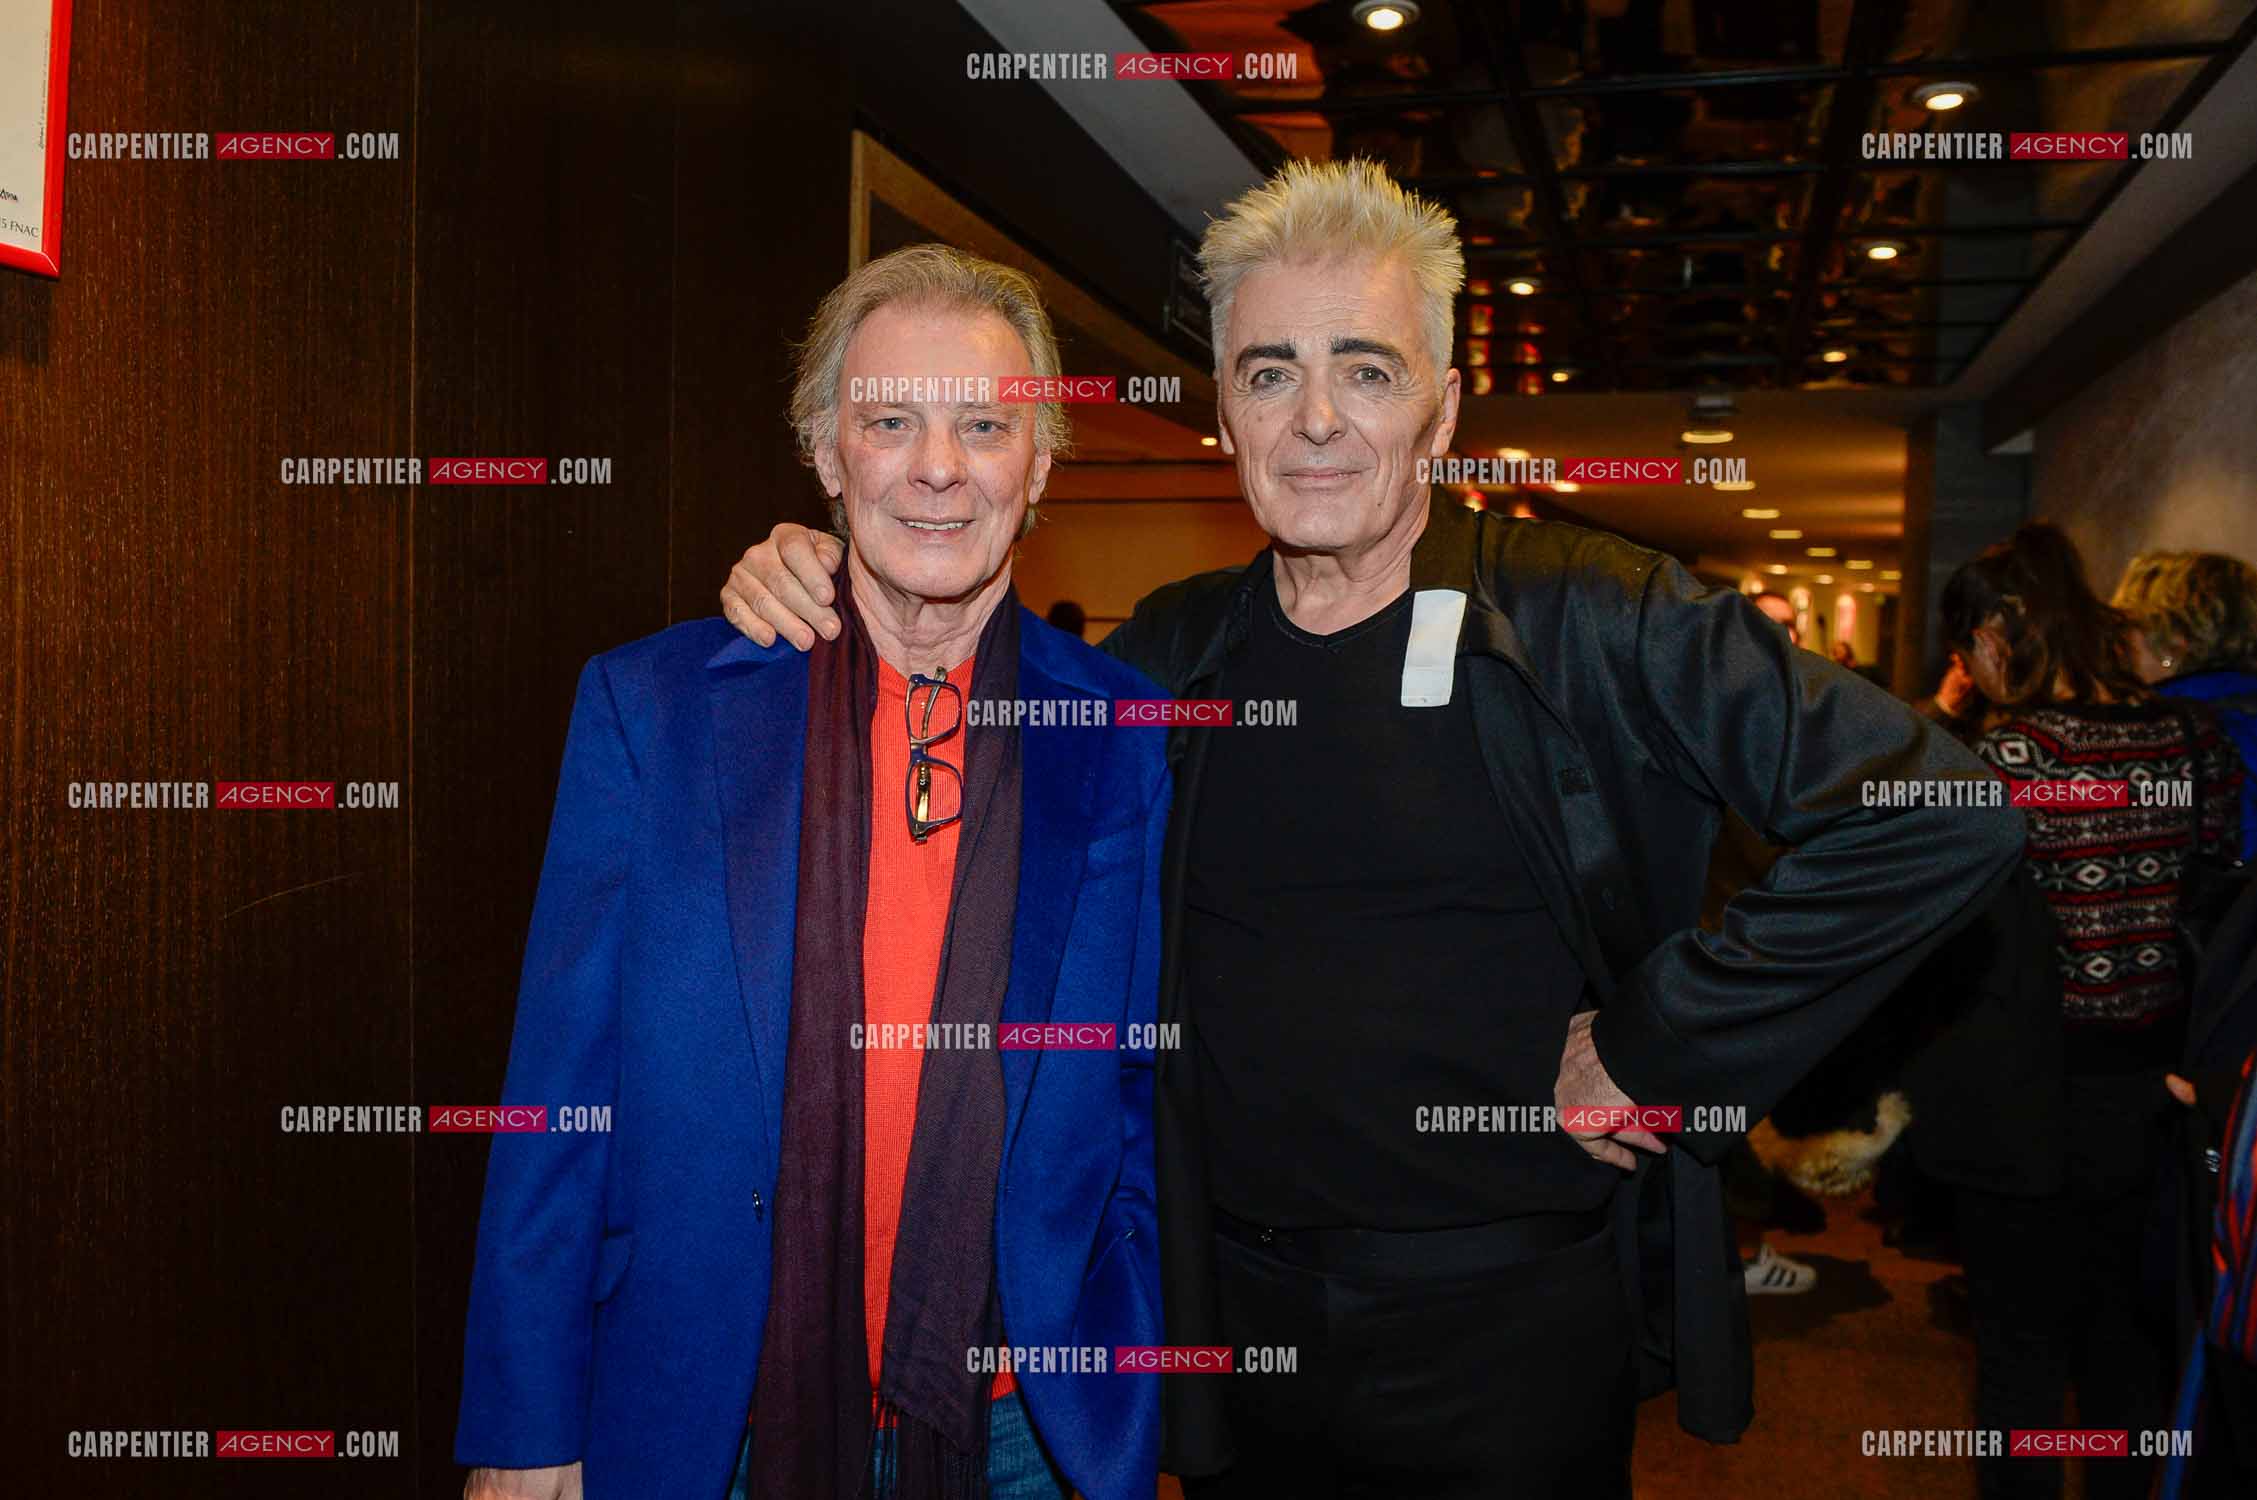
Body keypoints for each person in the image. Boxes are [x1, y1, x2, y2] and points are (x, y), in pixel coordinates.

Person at [718, 158, 2022, 1497]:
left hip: (1508, 1331)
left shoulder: (1592, 614)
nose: (1317, 420)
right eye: (1271, 372)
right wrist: (825, 572)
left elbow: (1941, 814)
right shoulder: (1171, 649)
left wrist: (1660, 1039)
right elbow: (955, 687)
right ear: (1225, 408)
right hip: (1227, 1321)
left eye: (1368, 370)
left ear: (1442, 410)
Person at [457, 245, 1167, 1500]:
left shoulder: (1124, 738)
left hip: (1023, 1435)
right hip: (706, 1414)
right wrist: (525, 1418)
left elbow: (1139, 1102)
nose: (937, 467)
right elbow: (558, 1090)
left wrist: (1130, 1355)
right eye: (888, 420)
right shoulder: (657, 707)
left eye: (985, 426)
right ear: (829, 458)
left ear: (1040, 464)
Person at [1938, 522, 2245, 1500]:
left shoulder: (2010, 750)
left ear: (1996, 634)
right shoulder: (2191, 737)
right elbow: (2214, 886)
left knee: (2021, 1350)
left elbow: (1941, 908)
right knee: (2126, 1344)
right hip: (2154, 1085)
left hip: (2024, 1091)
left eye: (1965, 643)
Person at [2114, 550, 2257, 862]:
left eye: (2127, 628)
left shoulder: (2161, 734)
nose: (2117, 644)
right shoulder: (2240, 711)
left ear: (2173, 644)